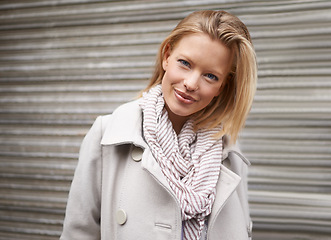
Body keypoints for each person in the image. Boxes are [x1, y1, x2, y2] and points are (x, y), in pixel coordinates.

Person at [60, 10, 257, 240]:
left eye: (210, 76)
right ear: (167, 56)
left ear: (222, 86)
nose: (191, 83)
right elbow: (79, 233)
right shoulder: (109, 134)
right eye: (184, 63)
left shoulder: (229, 153)